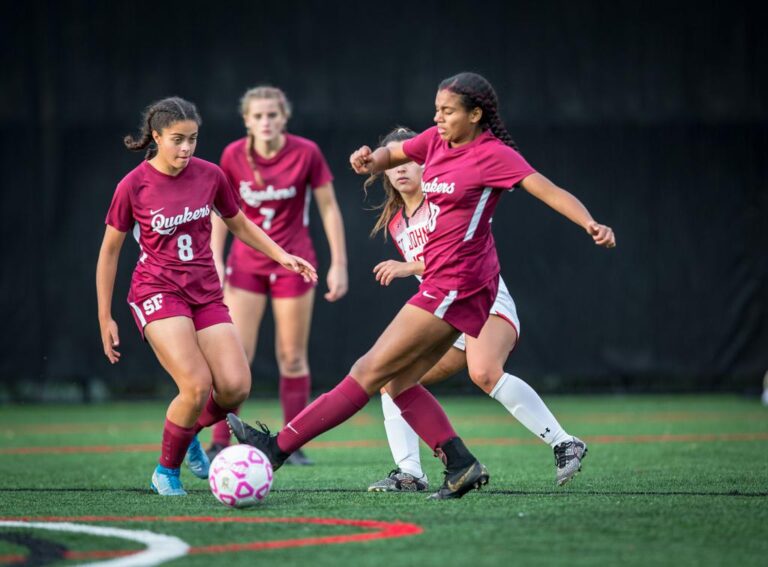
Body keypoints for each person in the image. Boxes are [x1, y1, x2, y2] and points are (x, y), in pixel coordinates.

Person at [227, 71, 615, 500]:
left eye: (448, 111)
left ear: (475, 114)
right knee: (396, 382)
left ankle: (277, 448)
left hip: (459, 284)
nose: (438, 117)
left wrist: (590, 223)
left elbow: (549, 190)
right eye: (436, 110)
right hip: (449, 286)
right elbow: (395, 151)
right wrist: (371, 160)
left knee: (368, 371)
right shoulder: (434, 141)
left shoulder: (494, 155)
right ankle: (459, 465)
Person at [96, 97, 316, 496]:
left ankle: (188, 433)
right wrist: (105, 316)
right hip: (157, 291)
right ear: (157, 137)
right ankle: (166, 470)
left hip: (205, 293)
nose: (186, 148)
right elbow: (109, 251)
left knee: (234, 388)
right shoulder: (133, 185)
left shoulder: (211, 175)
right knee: (196, 385)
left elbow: (241, 225)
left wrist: (283, 257)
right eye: (177, 139)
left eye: (193, 139)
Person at [363, 127, 588, 492]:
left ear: (426, 163)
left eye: (408, 160)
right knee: (391, 379)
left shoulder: (445, 200)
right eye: (393, 163)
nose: (401, 169)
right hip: (445, 315)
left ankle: (565, 443)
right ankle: (410, 474)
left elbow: (453, 258)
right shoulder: (396, 221)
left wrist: (409, 267)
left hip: (483, 298)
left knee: (484, 372)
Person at [206, 86, 348, 466]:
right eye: (258, 116)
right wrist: (215, 260)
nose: (266, 122)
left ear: (284, 117)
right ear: (246, 120)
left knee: (292, 356)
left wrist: (339, 263)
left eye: (273, 115)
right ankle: (221, 440)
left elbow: (329, 208)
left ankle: (292, 443)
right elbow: (222, 211)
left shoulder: (307, 152)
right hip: (246, 265)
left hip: (294, 262)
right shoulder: (233, 155)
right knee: (236, 356)